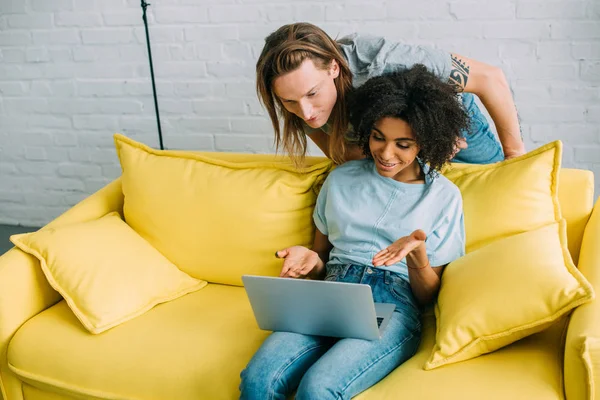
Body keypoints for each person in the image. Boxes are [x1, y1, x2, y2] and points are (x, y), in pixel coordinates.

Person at [239, 65, 466, 400]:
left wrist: (416, 252)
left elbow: (427, 297)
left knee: (319, 388)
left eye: (403, 144)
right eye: (378, 138)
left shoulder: (443, 196)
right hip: (331, 293)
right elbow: (322, 263)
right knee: (259, 380)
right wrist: (309, 259)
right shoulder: (342, 178)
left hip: (393, 301)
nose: (386, 154)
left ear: (426, 142)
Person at [255, 22, 525, 166]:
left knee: (497, 184)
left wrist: (516, 159)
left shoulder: (383, 62)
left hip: (451, 125)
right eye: (289, 102)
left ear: (334, 68)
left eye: (313, 94)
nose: (306, 113)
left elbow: (490, 78)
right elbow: (344, 155)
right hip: (396, 147)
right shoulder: (293, 93)